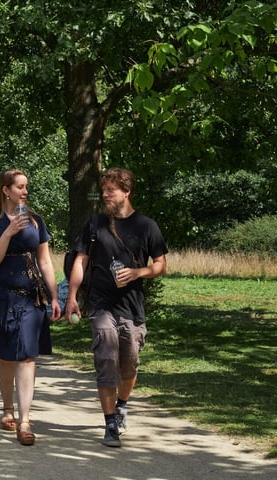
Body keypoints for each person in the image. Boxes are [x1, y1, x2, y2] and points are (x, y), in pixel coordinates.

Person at [63, 167, 168, 448]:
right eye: (104, 189)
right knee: (106, 356)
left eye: (111, 190)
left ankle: (122, 404)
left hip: (132, 306)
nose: (106, 194)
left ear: (126, 191)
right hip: (101, 303)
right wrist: (72, 296)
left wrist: (137, 273)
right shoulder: (95, 224)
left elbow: (160, 265)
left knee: (129, 362)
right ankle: (110, 423)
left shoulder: (147, 226)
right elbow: (81, 261)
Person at [0, 169, 61, 446]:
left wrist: (55, 297)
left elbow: (45, 261)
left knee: (28, 356)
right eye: (20, 187)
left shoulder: (36, 222)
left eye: (26, 187)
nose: (25, 192)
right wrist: (8, 232)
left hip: (31, 298)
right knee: (5, 355)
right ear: (6, 190)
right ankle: (7, 408)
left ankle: (24, 420)